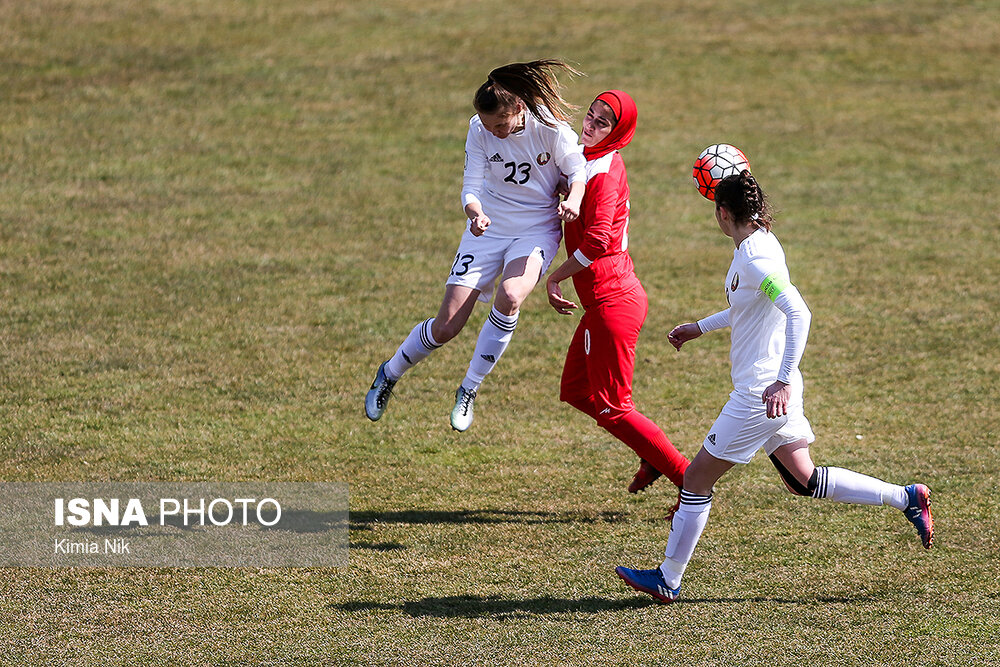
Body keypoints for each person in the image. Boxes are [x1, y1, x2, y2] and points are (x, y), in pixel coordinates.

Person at [615, 169, 934, 603]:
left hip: (760, 394)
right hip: (775, 389)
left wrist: (781, 381)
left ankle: (668, 578)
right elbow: (748, 308)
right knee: (803, 480)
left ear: (723, 213)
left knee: (695, 481)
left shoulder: (755, 258)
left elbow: (798, 312)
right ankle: (907, 497)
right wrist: (700, 327)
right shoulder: (759, 244)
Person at [365, 60, 587, 431]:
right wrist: (475, 212)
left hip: (535, 229)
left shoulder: (550, 128)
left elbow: (577, 170)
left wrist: (574, 199)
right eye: (488, 126)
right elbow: (471, 183)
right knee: (446, 327)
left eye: (500, 125)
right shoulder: (479, 130)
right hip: (488, 227)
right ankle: (389, 372)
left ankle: (468, 389)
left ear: (518, 108)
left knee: (511, 295)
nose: (494, 133)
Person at [546, 90, 688, 495]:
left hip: (612, 302)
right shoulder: (587, 158)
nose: (589, 126)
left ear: (618, 132)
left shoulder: (604, 171)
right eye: (589, 116)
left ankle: (688, 481)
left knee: (614, 408)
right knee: (576, 389)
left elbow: (596, 242)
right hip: (604, 301)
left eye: (601, 123)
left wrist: (555, 277)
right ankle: (652, 453)